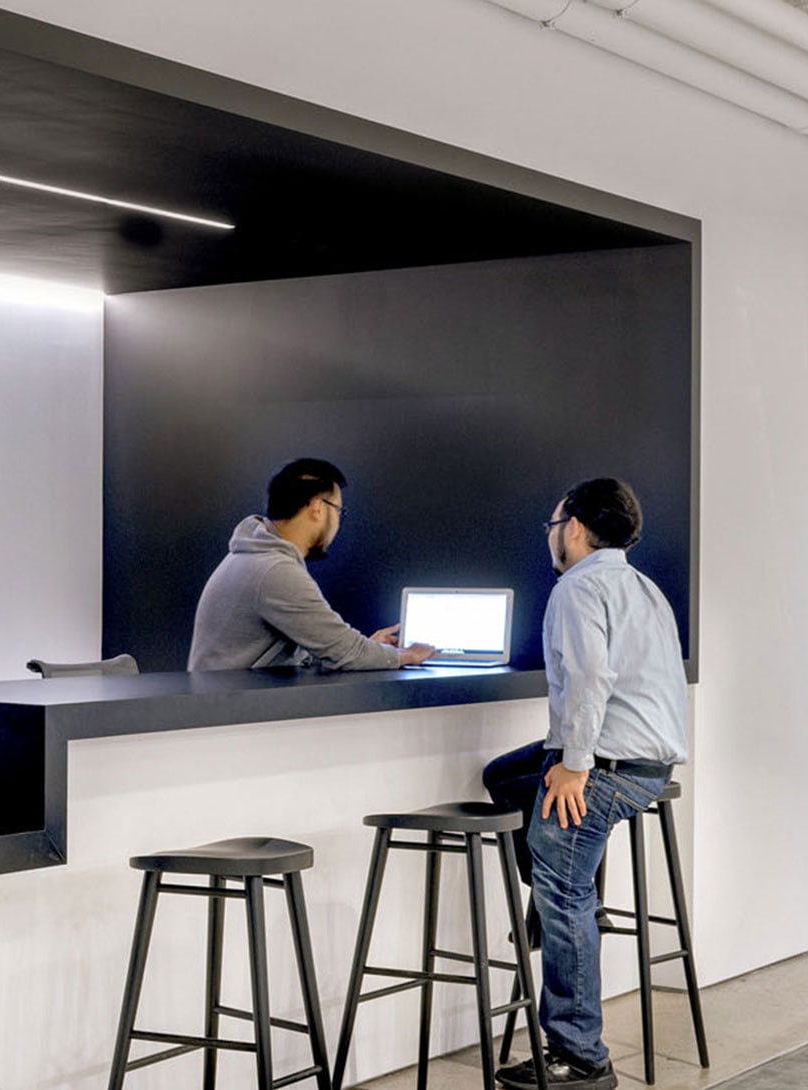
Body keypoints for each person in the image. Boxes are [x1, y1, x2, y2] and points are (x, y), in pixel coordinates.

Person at [485, 479, 689, 1090]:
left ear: (573, 526)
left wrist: (575, 767)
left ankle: (581, 1056)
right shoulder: (641, 586)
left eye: (554, 524)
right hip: (650, 765)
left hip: (608, 766)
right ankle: (565, 912)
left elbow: (590, 680)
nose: (552, 535)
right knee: (504, 776)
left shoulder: (579, 587)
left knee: (565, 885)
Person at [187, 457, 435, 670]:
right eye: (339, 511)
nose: (338, 523)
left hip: (231, 710)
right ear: (317, 507)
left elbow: (324, 650)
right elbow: (344, 651)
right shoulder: (274, 570)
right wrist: (407, 655)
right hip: (236, 717)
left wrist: (369, 649)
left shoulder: (255, 557)